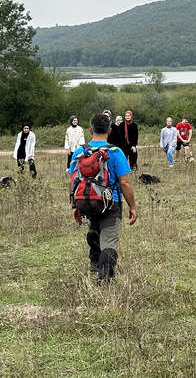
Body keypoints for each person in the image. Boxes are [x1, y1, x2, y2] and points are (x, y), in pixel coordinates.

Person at [69, 114, 138, 284]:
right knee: (109, 238)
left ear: (90, 130)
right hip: (110, 201)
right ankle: (105, 276)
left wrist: (74, 205)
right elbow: (125, 183)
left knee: (95, 223)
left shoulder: (79, 152)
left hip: (86, 200)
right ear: (109, 130)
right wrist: (132, 206)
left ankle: (94, 259)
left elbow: (73, 181)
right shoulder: (115, 152)